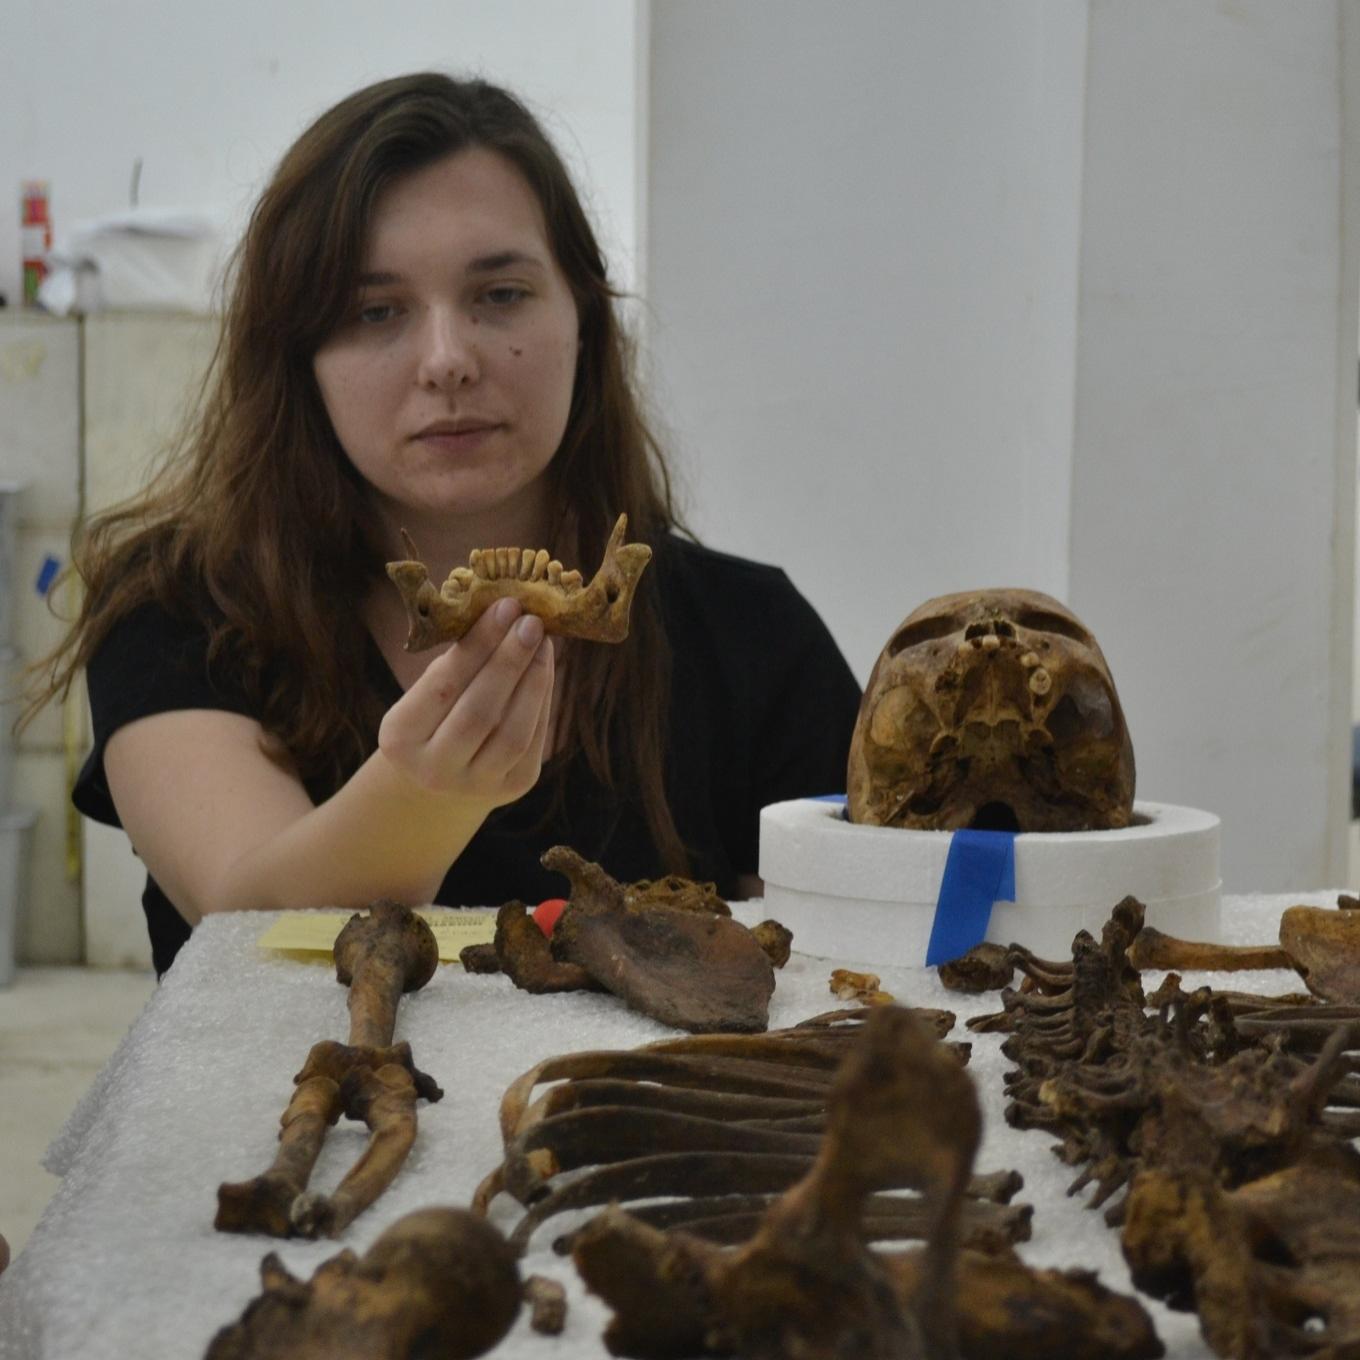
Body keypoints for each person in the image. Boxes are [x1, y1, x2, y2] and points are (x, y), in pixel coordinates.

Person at [21, 73, 861, 978]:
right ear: (297, 357)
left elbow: (835, 969)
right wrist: (426, 796)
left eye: (499, 294)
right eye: (374, 312)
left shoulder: (754, 633)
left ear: (585, 316)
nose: (447, 360)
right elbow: (244, 922)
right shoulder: (179, 612)